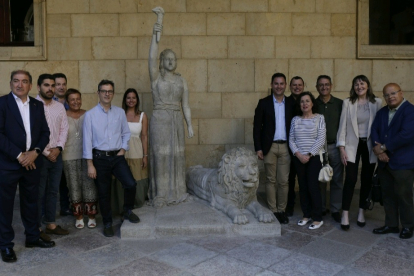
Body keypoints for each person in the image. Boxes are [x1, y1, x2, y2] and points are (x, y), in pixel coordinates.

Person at [0, 70, 55, 263]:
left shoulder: (37, 105)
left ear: (31, 85)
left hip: (32, 163)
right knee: (5, 206)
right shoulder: (2, 103)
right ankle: (6, 245)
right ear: (11, 83)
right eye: (16, 81)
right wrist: (19, 155)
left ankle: (32, 237)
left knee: (31, 202)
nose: (20, 85)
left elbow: (45, 133)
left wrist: (35, 152)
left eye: (24, 81)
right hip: (8, 164)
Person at [83, 79, 139, 238]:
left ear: (113, 94)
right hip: (99, 158)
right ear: (98, 93)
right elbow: (87, 140)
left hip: (117, 157)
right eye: (104, 91)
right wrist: (90, 164)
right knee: (104, 192)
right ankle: (107, 222)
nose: (107, 94)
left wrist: (123, 149)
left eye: (110, 91)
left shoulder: (120, 112)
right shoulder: (90, 115)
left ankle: (127, 210)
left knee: (130, 183)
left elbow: (126, 133)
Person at [148, 22, 194, 207]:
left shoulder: (181, 80)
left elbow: (186, 105)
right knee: (161, 155)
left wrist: (189, 124)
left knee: (176, 155)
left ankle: (177, 191)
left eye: (173, 59)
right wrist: (154, 36)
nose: (170, 61)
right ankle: (160, 194)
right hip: (160, 119)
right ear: (161, 61)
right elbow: (150, 59)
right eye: (167, 58)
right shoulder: (156, 78)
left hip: (176, 119)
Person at [336, 75, 382, 230]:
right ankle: (345, 213)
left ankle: (362, 211)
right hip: (351, 145)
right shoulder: (347, 103)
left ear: (368, 86)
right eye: (356, 84)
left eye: (362, 83)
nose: (359, 86)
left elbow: (380, 127)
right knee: (350, 178)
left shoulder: (377, 103)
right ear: (353, 87)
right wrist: (341, 148)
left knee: (367, 179)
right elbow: (342, 126)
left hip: (369, 146)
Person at [371, 83, 414, 239]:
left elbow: (406, 135)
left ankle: (408, 226)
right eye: (387, 95)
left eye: (393, 93)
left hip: (403, 162)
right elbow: (374, 130)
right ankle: (391, 224)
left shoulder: (410, 111)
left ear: (401, 93)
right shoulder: (382, 112)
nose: (390, 97)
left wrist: (383, 147)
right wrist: (380, 151)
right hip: (385, 162)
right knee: (387, 195)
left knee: (404, 195)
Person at [253, 73, 295, 224]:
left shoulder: (291, 103)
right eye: (276, 83)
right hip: (269, 147)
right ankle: (273, 210)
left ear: (285, 86)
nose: (279, 86)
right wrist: (258, 148)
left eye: (282, 83)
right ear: (271, 85)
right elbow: (257, 128)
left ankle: (282, 210)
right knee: (270, 180)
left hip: (286, 147)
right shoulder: (263, 103)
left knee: (284, 181)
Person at [36, 74, 69, 237]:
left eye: (52, 85)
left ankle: (51, 223)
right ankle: (36, 227)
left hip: (57, 155)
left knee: (53, 191)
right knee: (38, 191)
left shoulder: (59, 107)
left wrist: (59, 148)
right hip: (39, 156)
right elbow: (32, 133)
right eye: (46, 85)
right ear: (38, 87)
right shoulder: (32, 106)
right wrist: (46, 152)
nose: (50, 88)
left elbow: (64, 129)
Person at [289, 92, 326, 230]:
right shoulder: (295, 120)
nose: (304, 103)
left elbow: (321, 139)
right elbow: (291, 139)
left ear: (312, 103)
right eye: (302, 101)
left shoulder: (319, 118)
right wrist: (299, 155)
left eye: (307, 101)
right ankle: (306, 214)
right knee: (303, 187)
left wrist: (308, 155)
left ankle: (317, 218)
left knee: (313, 186)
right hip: (298, 158)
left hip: (314, 157)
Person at [62, 89, 98, 229]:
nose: (75, 102)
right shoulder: (63, 116)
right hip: (68, 156)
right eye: (72, 99)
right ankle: (78, 216)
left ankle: (92, 215)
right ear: (67, 102)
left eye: (78, 98)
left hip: (86, 155)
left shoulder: (88, 114)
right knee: (73, 187)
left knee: (89, 185)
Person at [112, 88, 149, 213]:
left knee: (136, 176)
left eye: (133, 97)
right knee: (121, 177)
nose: (131, 100)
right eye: (128, 97)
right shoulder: (119, 114)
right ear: (125, 99)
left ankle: (135, 203)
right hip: (121, 150)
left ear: (137, 100)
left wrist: (145, 155)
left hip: (137, 150)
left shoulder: (142, 116)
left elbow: (144, 136)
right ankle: (122, 204)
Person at [315, 75, 343, 223]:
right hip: (319, 148)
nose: (324, 87)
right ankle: (320, 207)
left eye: (326, 84)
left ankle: (335, 209)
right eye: (321, 85)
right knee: (320, 178)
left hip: (335, 146)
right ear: (317, 87)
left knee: (337, 179)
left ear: (331, 86)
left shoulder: (340, 103)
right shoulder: (313, 103)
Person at [52, 73, 71, 217]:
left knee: (65, 181)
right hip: (53, 148)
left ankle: (65, 207)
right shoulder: (48, 102)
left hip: (69, 146)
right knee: (51, 183)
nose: (61, 87)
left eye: (63, 84)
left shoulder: (71, 101)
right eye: (58, 84)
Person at [286, 76, 305, 216]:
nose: (297, 87)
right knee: (290, 178)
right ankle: (289, 206)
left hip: (305, 147)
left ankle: (307, 206)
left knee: (306, 178)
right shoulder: (285, 102)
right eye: (294, 85)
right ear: (290, 86)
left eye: (299, 85)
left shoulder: (308, 101)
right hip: (290, 146)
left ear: (303, 86)